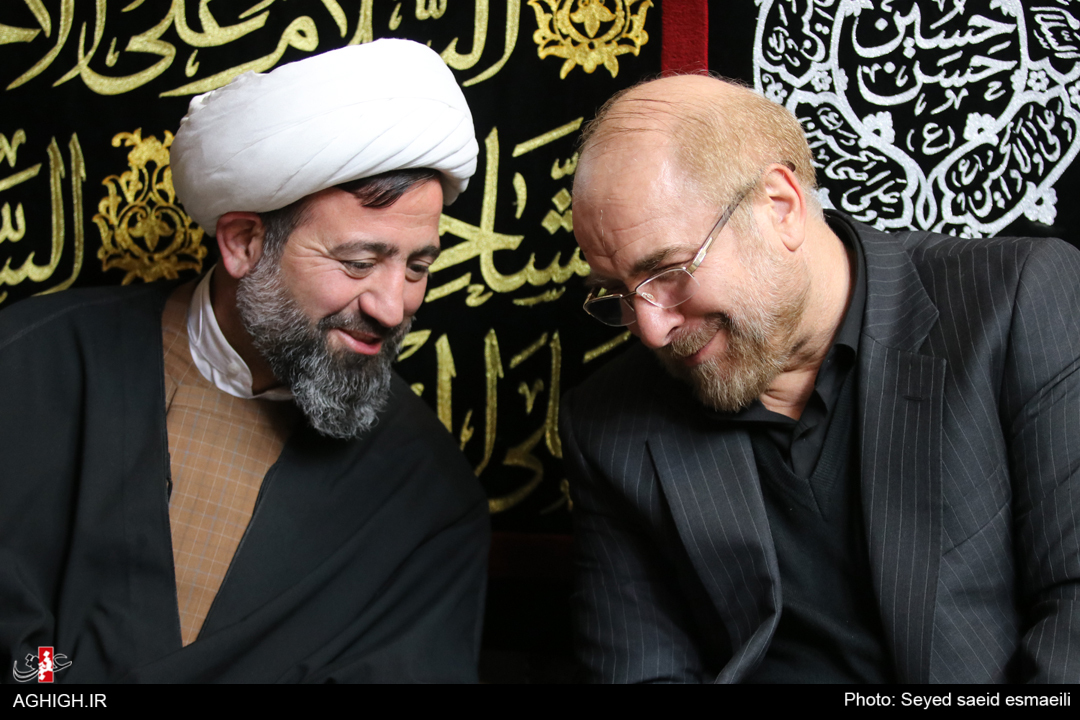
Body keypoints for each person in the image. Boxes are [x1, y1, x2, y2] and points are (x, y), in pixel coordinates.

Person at [561, 74, 1080, 683]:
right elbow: (642, 674)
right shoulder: (607, 423)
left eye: (669, 271)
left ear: (780, 208)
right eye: (618, 293)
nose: (651, 329)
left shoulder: (1018, 301)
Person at [0, 40, 489, 683]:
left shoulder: (429, 490)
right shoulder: (29, 365)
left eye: (417, 267)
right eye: (358, 263)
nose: (393, 307)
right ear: (243, 242)